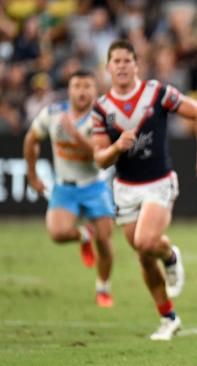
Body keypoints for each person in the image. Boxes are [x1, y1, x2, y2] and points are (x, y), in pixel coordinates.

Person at [91, 39, 197, 341]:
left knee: (146, 242)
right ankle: (168, 317)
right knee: (144, 254)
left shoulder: (157, 93)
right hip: (125, 189)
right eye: (115, 61)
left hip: (158, 183)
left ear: (136, 64)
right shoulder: (101, 108)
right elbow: (98, 156)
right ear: (108, 67)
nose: (121, 66)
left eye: (126, 60)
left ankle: (170, 256)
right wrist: (116, 148)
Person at [23, 69, 116, 308]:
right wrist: (32, 175)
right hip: (65, 186)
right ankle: (84, 234)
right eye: (77, 86)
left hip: (95, 185)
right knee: (57, 233)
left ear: (96, 91)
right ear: (70, 90)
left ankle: (103, 288)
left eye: (87, 86)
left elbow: (99, 157)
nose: (82, 91)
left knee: (105, 241)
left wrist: (74, 133)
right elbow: (31, 140)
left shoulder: (103, 118)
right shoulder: (53, 113)